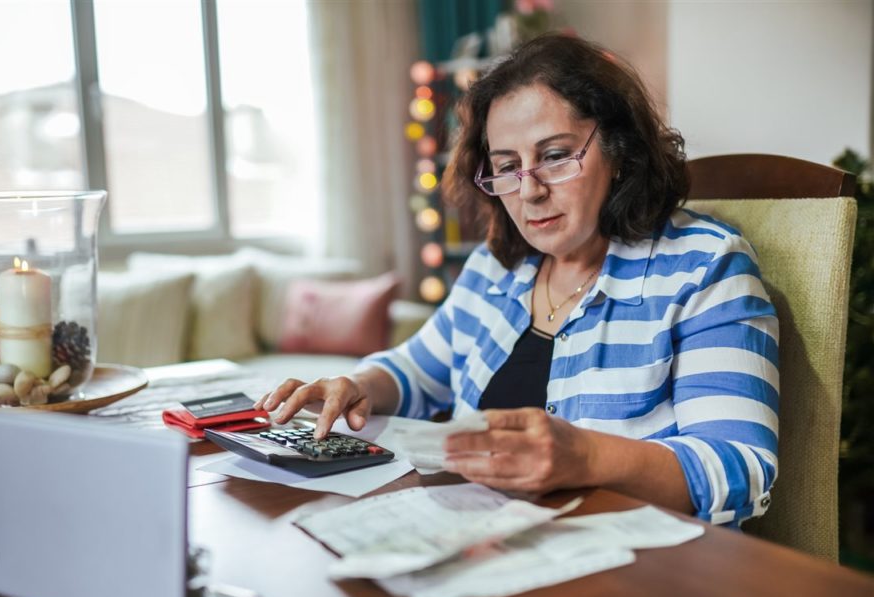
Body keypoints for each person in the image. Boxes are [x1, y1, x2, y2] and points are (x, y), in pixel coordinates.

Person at [255, 34, 778, 526]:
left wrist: (587, 456)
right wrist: (358, 385)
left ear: (619, 151)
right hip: (485, 539)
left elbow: (740, 467)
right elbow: (420, 368)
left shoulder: (705, 267)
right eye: (508, 165)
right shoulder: (498, 264)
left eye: (554, 157)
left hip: (634, 575)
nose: (529, 192)